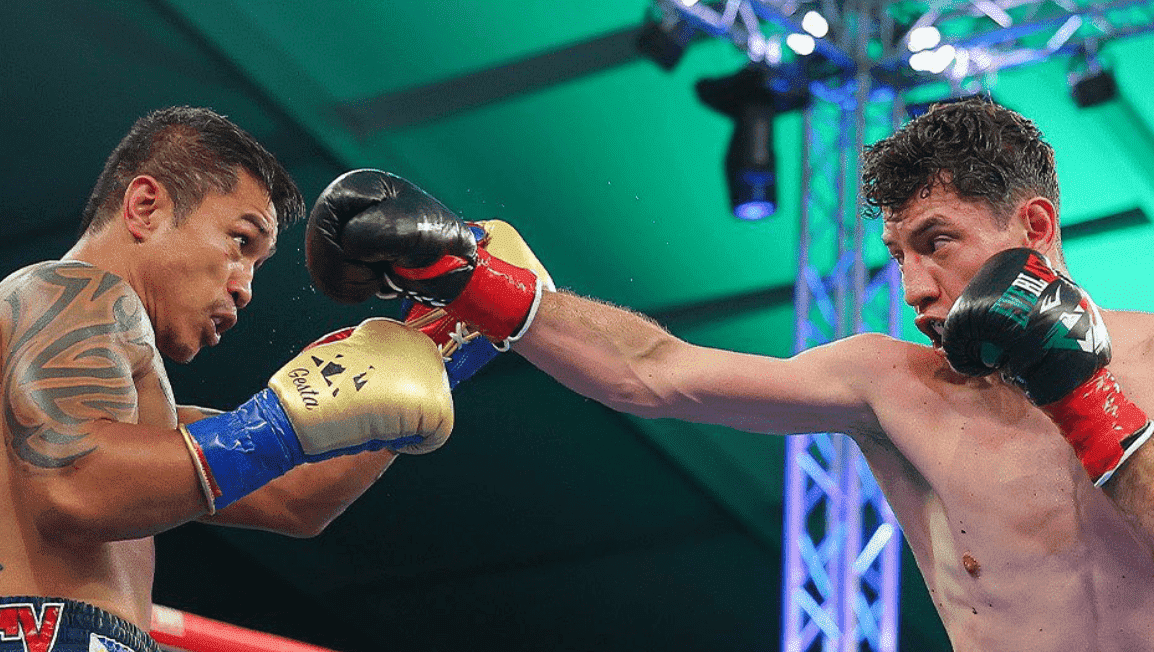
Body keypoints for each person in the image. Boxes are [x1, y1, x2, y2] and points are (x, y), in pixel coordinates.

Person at [305, 97, 1154, 652]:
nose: (915, 289)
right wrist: (465, 276)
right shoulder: (890, 385)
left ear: (1033, 226)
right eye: (898, 254)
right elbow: (656, 373)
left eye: (937, 242)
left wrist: (1083, 393)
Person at [0, 106, 454, 652]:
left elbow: (294, 498)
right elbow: (74, 481)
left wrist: (442, 341)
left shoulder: (124, 412)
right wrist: (275, 425)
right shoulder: (67, 291)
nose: (245, 288)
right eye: (241, 241)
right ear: (146, 207)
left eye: (257, 265)